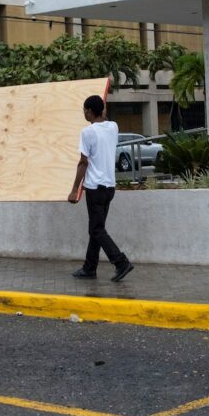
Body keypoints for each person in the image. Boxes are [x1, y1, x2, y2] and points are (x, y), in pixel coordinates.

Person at [68, 95, 134, 282]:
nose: (84, 113)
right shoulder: (113, 127)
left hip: (95, 188)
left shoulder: (87, 132)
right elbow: (104, 117)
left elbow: (83, 162)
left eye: (84, 110)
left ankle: (120, 262)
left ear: (89, 111)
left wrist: (74, 189)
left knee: (97, 230)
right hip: (109, 187)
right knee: (96, 228)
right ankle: (89, 268)